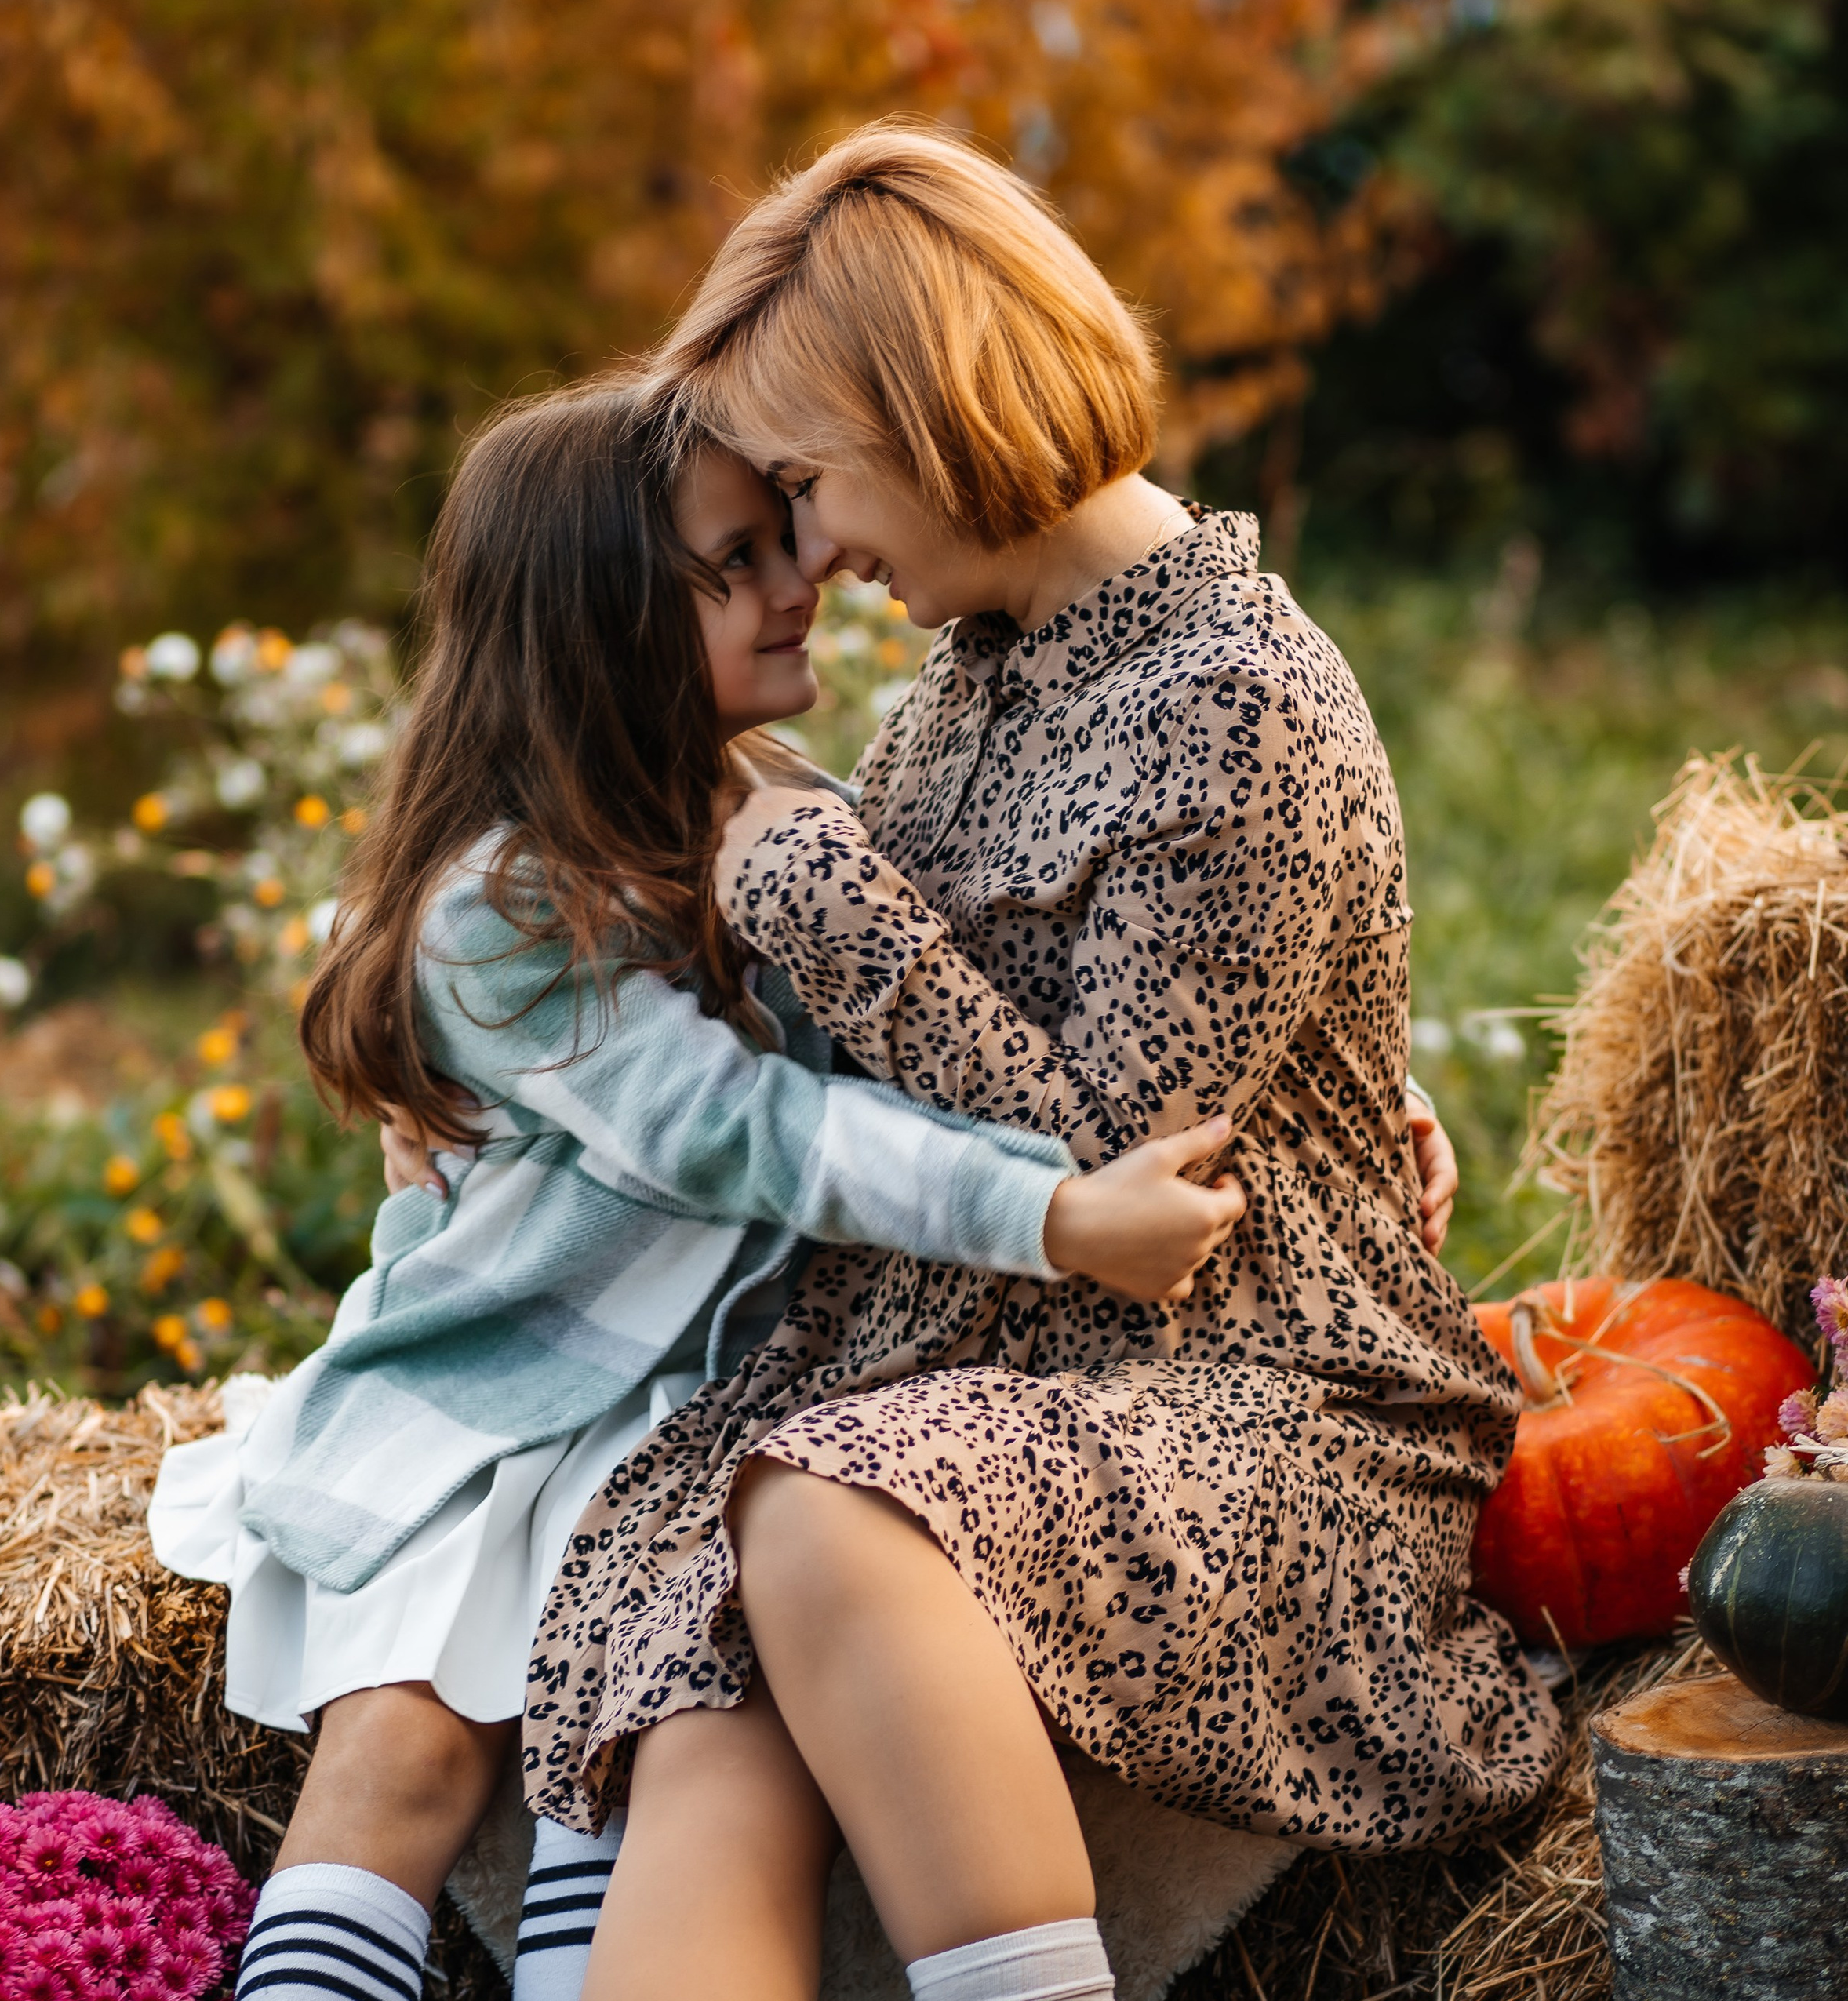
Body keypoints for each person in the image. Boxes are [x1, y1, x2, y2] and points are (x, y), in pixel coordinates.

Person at [482, 126, 1563, 2001]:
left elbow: (1102, 1160)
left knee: (817, 1509)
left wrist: (814, 879)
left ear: (933, 405)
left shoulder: (1228, 695)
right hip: (966, 1346)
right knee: (701, 1677)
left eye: (810, 485)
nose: (809, 550)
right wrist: (506, 1086)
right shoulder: (975, 672)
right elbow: (842, 1054)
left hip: (1250, 1395)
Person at [147, 377, 1256, 2001]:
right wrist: (1053, 1213)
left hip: (708, 1411)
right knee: (403, 1751)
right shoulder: (500, 910)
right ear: (603, 623)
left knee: (629, 1732)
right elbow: (750, 1131)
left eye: (785, 529)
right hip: (503, 1398)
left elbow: (1012, 997)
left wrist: (1325, 1117)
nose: (801, 571)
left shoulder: (779, 804)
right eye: (735, 557)